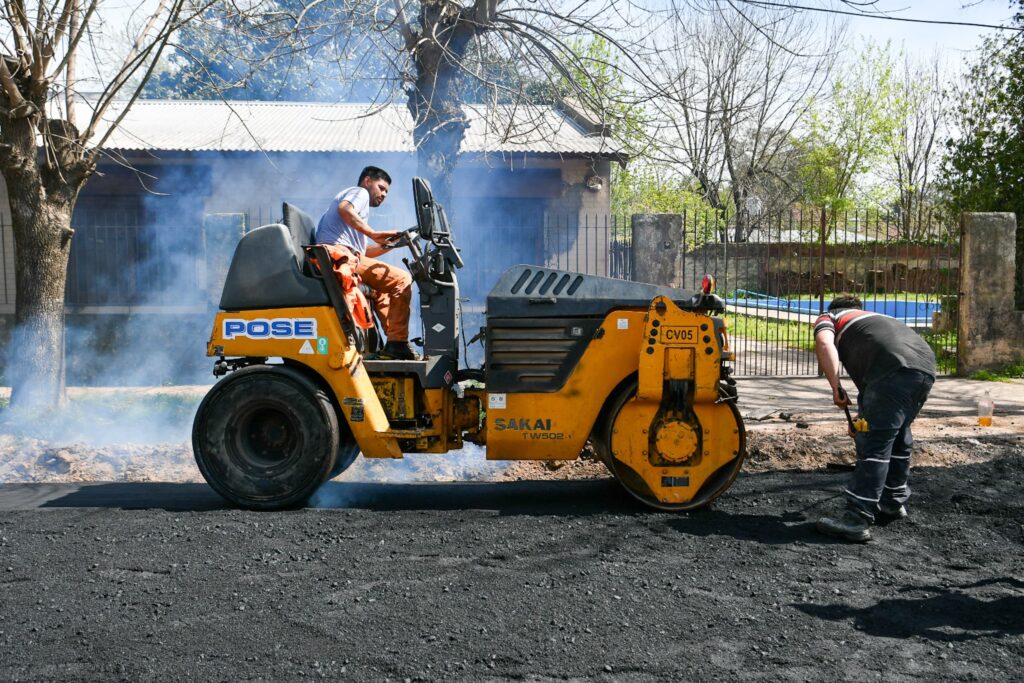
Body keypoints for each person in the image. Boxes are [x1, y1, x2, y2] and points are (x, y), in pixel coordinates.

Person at [813, 294, 936, 543]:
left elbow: (825, 344)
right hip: (924, 368)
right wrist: (864, 416)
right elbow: (880, 388)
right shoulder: (877, 320)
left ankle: (856, 519)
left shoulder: (831, 317)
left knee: (874, 446)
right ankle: (892, 502)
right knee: (899, 435)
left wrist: (836, 387)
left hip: (892, 370)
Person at [315, 166, 418, 360]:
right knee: (402, 279)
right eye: (381, 188)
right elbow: (344, 209)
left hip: (346, 254)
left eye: (387, 191)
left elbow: (363, 252)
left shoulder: (354, 219)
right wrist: (373, 233)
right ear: (367, 181)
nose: (384, 194)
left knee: (382, 289)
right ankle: (397, 343)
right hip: (338, 256)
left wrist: (391, 245)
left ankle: (394, 343)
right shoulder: (359, 193)